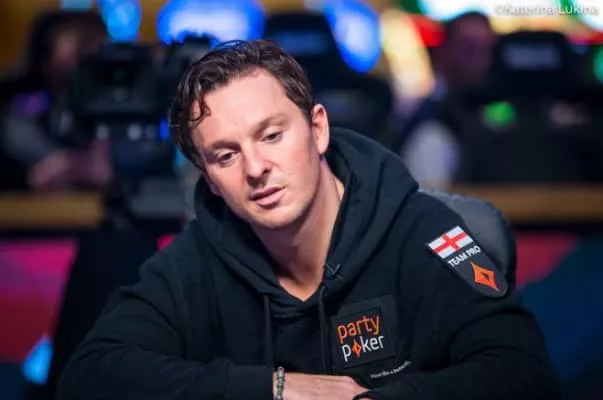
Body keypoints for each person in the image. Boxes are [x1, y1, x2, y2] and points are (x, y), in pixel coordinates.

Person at [57, 40, 559, 399]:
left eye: (271, 136)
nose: (256, 168)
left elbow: (524, 373)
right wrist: (275, 389)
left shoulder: (421, 230)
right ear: (208, 179)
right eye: (226, 155)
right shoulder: (198, 259)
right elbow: (89, 377)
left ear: (317, 130)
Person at [397, 11, 496, 187]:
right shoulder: (432, 126)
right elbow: (433, 201)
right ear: (444, 53)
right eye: (470, 49)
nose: (483, 60)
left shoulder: (492, 110)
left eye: (489, 50)